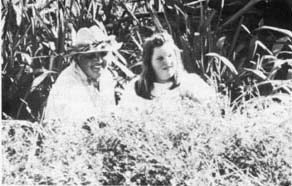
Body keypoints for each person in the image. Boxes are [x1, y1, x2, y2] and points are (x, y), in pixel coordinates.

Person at [119, 31, 216, 111]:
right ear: (149, 62)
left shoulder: (191, 82)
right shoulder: (136, 87)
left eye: (170, 56)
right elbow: (122, 120)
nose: (167, 62)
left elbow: (213, 108)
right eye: (160, 58)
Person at [44, 24, 122, 124]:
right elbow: (81, 126)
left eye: (103, 54)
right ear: (78, 58)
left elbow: (108, 115)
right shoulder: (68, 83)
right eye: (91, 56)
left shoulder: (106, 76)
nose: (99, 60)